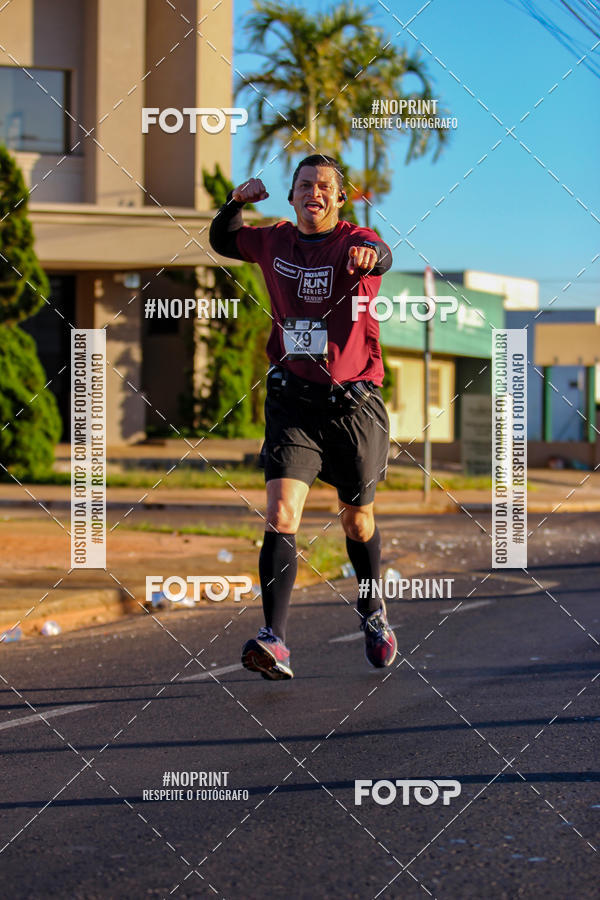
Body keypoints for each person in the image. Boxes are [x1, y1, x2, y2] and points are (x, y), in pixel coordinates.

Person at [209, 154, 397, 680]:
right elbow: (224, 241)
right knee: (280, 513)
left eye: (324, 187)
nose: (314, 192)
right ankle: (275, 639)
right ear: (291, 196)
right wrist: (236, 202)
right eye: (304, 185)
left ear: (338, 198)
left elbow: (381, 254)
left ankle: (373, 611)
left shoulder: (355, 241)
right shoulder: (274, 240)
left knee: (357, 521)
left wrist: (369, 256)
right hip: (293, 400)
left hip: (352, 404)